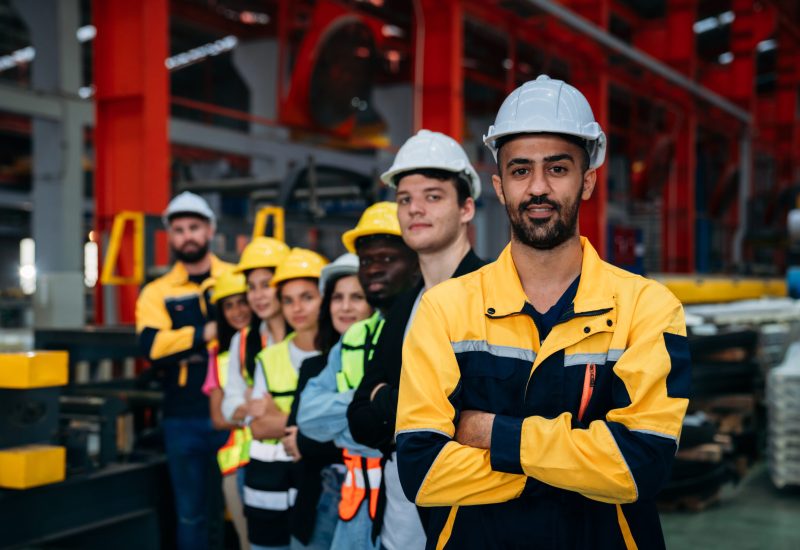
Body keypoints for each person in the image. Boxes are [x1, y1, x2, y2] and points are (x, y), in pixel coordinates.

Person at [395, 75, 691, 549]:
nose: (537, 188)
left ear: (587, 180)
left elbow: (642, 467)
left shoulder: (647, 309)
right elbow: (422, 473)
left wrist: (494, 434)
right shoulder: (444, 310)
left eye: (557, 169)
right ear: (499, 185)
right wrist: (582, 468)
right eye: (519, 170)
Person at [347, 130, 486, 550]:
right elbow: (359, 421)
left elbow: (480, 423)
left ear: (466, 208)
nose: (414, 209)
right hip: (397, 527)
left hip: (465, 526)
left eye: (432, 196)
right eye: (405, 199)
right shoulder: (404, 307)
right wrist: (428, 413)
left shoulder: (493, 298)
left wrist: (387, 401)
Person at [298, 202, 419, 550]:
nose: (373, 270)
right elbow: (308, 416)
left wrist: (350, 423)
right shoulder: (355, 337)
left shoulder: (428, 324)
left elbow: (413, 423)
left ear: (414, 264)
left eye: (386, 259)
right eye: (366, 261)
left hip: (409, 507)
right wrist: (366, 407)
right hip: (354, 507)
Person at [135, 191, 232, 550]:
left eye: (194, 227)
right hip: (183, 417)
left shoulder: (234, 279)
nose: (187, 236)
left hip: (233, 413)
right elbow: (152, 348)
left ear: (209, 231)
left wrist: (180, 345)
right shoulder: (156, 292)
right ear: (170, 237)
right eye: (179, 230)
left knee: (236, 506)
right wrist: (206, 334)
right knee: (190, 513)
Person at [286, 253, 375, 549]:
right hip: (317, 504)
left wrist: (325, 429)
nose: (345, 307)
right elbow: (296, 440)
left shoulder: (386, 362)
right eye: (338, 298)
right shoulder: (315, 367)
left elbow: (310, 441)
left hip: (373, 504)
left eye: (356, 297)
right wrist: (362, 408)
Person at [244, 248, 328, 550]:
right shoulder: (268, 358)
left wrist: (278, 415)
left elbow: (349, 425)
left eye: (307, 297)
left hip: (319, 485)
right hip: (268, 486)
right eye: (288, 300)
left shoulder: (339, 354)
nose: (297, 308)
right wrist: (317, 425)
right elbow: (258, 428)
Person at [203, 270, 253, 550]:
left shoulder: (271, 343)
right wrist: (256, 415)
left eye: (242, 301)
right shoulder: (219, 356)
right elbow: (218, 418)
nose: (237, 311)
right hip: (235, 467)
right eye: (229, 305)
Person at [221, 237, 291, 435]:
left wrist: (270, 410)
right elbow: (229, 403)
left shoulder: (309, 335)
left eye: (266, 285)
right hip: (263, 455)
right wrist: (250, 407)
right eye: (251, 287)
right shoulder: (242, 340)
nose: (258, 295)